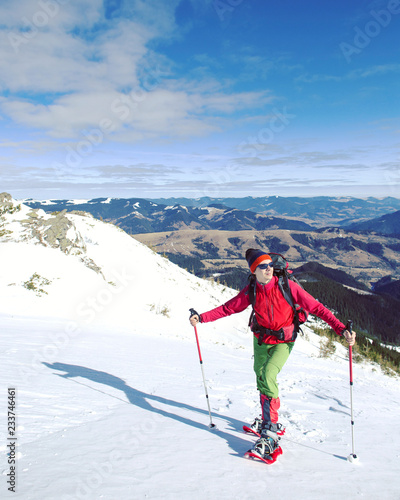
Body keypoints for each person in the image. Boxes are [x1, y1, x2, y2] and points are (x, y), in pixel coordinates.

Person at [189, 248, 356, 461]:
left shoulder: (288, 287)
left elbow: (317, 308)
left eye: (270, 265)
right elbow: (228, 308)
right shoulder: (251, 290)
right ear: (254, 271)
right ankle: (268, 418)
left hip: (284, 340)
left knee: (268, 374)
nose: (269, 269)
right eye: (263, 266)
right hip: (260, 339)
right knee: (260, 374)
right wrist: (201, 318)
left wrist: (341, 329)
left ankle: (270, 433)